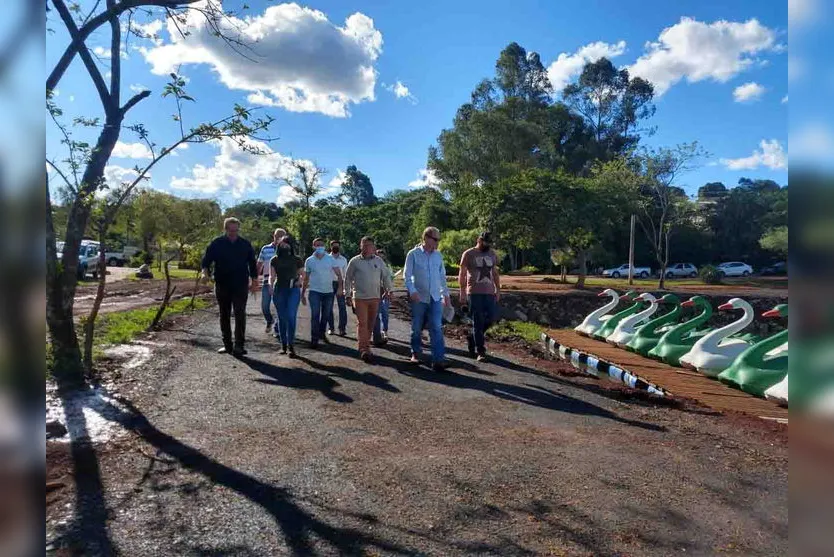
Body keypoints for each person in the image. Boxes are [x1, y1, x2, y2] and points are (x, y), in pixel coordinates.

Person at [200, 217, 258, 355]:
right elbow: (206, 261)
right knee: (224, 314)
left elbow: (252, 264)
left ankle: (239, 345)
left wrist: (254, 281)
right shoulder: (217, 243)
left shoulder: (245, 244)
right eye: (231, 230)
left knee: (240, 314)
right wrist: (204, 273)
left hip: (240, 284)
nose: (233, 233)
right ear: (225, 229)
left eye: (236, 230)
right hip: (222, 283)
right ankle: (227, 345)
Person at [403, 227, 451, 371]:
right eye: (435, 239)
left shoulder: (438, 256)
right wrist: (412, 291)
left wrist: (446, 295)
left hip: (435, 297)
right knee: (417, 327)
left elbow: (442, 277)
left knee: (436, 327)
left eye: (438, 240)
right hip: (419, 298)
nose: (437, 242)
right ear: (426, 238)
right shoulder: (413, 254)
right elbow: (407, 275)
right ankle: (416, 353)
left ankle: (438, 359)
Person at [344, 237, 393, 363]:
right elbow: (348, 279)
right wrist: (347, 295)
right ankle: (364, 349)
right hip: (359, 297)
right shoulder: (354, 261)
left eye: (369, 245)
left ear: (373, 247)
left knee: (371, 323)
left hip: (375, 297)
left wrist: (389, 290)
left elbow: (386, 276)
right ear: (360, 246)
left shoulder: (379, 261)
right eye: (364, 245)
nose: (366, 248)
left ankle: (365, 344)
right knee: (362, 323)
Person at [459, 231, 501, 362]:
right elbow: (462, 273)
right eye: (485, 242)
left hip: (489, 292)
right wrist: (462, 291)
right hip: (474, 292)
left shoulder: (492, 254)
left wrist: (498, 289)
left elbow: (494, 272)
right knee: (478, 321)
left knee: (492, 318)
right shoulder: (469, 254)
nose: (487, 245)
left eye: (489, 243)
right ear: (479, 240)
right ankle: (480, 351)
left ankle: (473, 337)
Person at [301, 238, 344, 348]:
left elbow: (339, 275)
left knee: (325, 315)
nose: (320, 246)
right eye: (317, 245)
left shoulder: (330, 259)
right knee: (315, 315)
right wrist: (303, 293)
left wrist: (340, 287)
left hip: (328, 292)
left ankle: (321, 333)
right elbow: (306, 278)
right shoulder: (309, 260)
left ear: (324, 246)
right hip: (315, 292)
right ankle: (314, 339)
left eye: (321, 244)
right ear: (313, 246)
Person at [269, 234, 304, 357]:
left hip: (292, 290)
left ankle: (291, 345)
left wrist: (299, 281)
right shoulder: (274, 259)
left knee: (291, 316)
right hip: (279, 290)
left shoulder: (297, 259)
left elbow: (301, 275)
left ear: (291, 245)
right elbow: (272, 276)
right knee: (282, 318)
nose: (285, 245)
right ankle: (283, 345)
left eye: (287, 243)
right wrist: (270, 286)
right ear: (279, 245)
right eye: (282, 243)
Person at [256, 227, 286, 333]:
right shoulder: (265, 248)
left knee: (279, 305)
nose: (278, 238)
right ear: (274, 236)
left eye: (281, 237)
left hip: (281, 281)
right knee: (265, 305)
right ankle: (269, 320)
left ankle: (277, 329)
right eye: (277, 236)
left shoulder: (286, 249)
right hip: (266, 280)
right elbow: (259, 264)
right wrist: (254, 278)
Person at [326, 239, 349, 336]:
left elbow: (345, 274)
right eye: (333, 246)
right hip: (329, 283)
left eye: (337, 246)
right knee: (328, 307)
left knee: (342, 307)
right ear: (330, 247)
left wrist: (345, 287)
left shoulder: (343, 259)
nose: (335, 247)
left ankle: (342, 328)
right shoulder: (326, 258)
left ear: (339, 247)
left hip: (340, 283)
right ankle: (331, 327)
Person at [372, 248, 394, 343]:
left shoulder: (388, 266)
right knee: (375, 313)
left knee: (384, 312)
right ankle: (375, 332)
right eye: (378, 255)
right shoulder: (373, 265)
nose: (380, 257)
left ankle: (384, 330)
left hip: (385, 291)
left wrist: (388, 291)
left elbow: (390, 279)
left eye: (382, 255)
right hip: (376, 292)